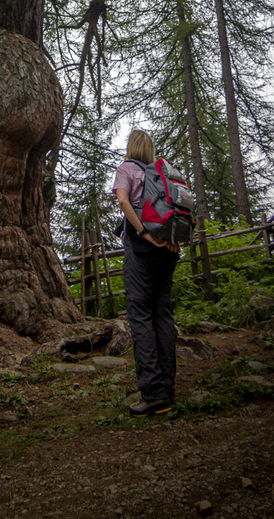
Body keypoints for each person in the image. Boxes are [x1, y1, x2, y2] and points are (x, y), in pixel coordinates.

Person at [112, 128, 179, 417]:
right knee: (162, 315)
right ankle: (168, 388)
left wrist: (142, 232)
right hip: (169, 251)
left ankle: (153, 394)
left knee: (140, 317)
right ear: (150, 149)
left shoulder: (126, 168)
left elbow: (123, 201)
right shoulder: (161, 174)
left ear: (130, 147)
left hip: (142, 250)